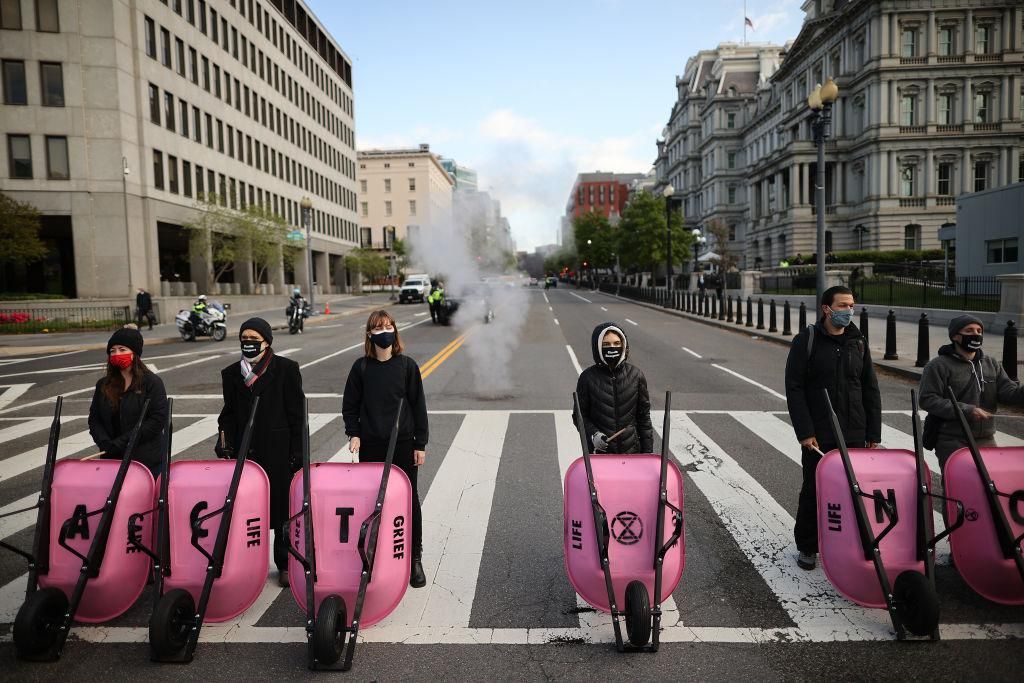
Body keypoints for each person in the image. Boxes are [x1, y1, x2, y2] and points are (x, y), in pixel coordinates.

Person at [784, 285, 881, 570]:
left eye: (851, 305)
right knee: (815, 490)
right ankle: (808, 546)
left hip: (855, 430)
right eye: (842, 305)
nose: (849, 310)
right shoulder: (808, 340)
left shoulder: (857, 341)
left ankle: (853, 542)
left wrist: (872, 432)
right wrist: (805, 432)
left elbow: (870, 388)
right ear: (827, 308)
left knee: (855, 490)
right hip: (820, 432)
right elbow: (795, 388)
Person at [342, 310, 429, 588]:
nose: (384, 332)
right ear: (369, 334)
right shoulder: (361, 368)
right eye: (378, 328)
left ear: (395, 331)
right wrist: (354, 434)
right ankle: (373, 556)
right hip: (372, 445)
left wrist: (420, 443)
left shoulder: (407, 366)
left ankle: (414, 558)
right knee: (373, 501)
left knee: (408, 499)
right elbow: (350, 405)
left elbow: (418, 406)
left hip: (403, 444)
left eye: (388, 326)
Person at [217, 317, 305, 587]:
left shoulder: (286, 370)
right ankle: (249, 563)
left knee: (281, 510)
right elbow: (229, 413)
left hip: (278, 450)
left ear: (267, 343)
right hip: (247, 451)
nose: (249, 344)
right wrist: (225, 439)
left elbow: (297, 416)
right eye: (245, 339)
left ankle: (285, 562)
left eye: (255, 340)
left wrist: (298, 454)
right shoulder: (231, 374)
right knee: (247, 509)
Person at [918, 314, 1024, 471]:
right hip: (952, 438)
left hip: (986, 437)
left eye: (979, 330)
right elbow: (928, 399)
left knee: (992, 485)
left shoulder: (991, 363)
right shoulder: (937, 366)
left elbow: (1008, 393)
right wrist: (967, 410)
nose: (975, 334)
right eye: (969, 330)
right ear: (955, 336)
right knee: (961, 484)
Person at [88, 326, 169, 475]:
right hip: (111, 460)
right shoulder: (103, 384)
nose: (117, 354)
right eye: (112, 351)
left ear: (135, 353)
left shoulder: (152, 382)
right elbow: (95, 419)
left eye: (122, 349)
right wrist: (104, 442)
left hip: (145, 462)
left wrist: (122, 442)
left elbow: (157, 420)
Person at [574, 322, 654, 455]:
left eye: (617, 343)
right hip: (599, 455)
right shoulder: (587, 378)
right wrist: (594, 435)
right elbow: (579, 416)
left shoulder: (636, 375)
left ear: (624, 345)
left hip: (631, 454)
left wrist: (648, 454)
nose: (612, 347)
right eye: (606, 344)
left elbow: (644, 418)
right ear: (598, 346)